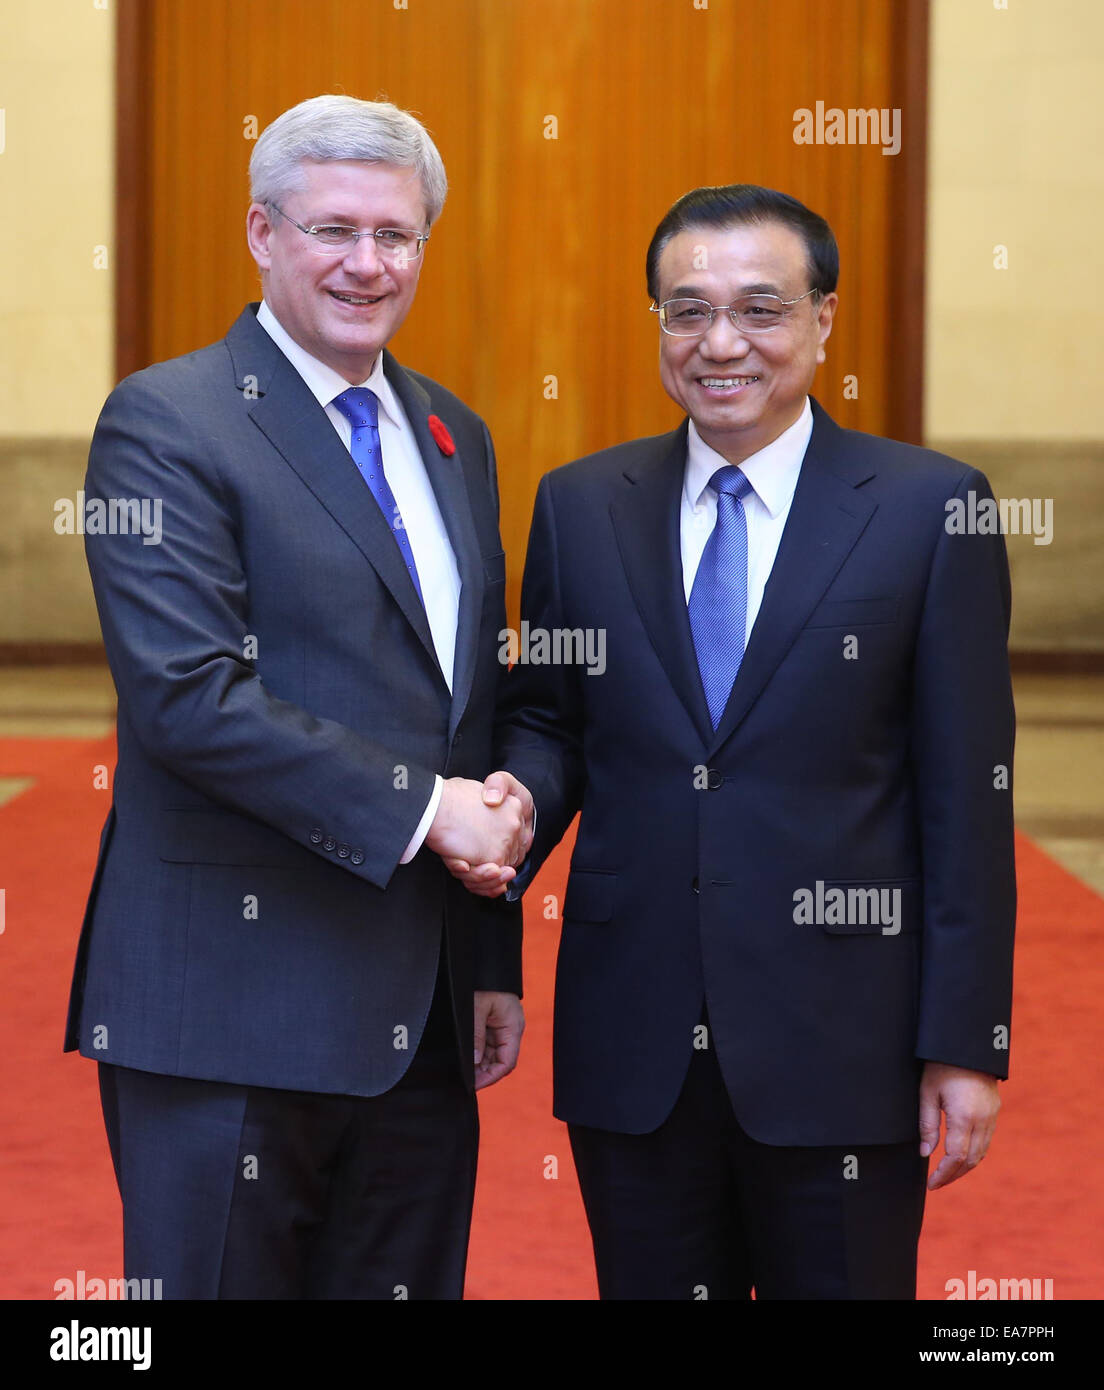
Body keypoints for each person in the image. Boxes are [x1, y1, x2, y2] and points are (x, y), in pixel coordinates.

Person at [454, 185, 1016, 1299]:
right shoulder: (582, 504)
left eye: (761, 308)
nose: (721, 343)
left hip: (844, 1045)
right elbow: (550, 721)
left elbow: (967, 796)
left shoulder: (927, 508)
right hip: (635, 1037)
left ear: (824, 321)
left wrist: (967, 1042)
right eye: (686, 310)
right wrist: (505, 844)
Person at [64, 94, 533, 1300]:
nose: (368, 263)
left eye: (398, 233)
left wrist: (487, 957)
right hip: (231, 1006)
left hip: (417, 1016)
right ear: (262, 234)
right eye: (334, 229)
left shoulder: (452, 435)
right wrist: (431, 812)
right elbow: (186, 695)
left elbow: (460, 710)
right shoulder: (170, 420)